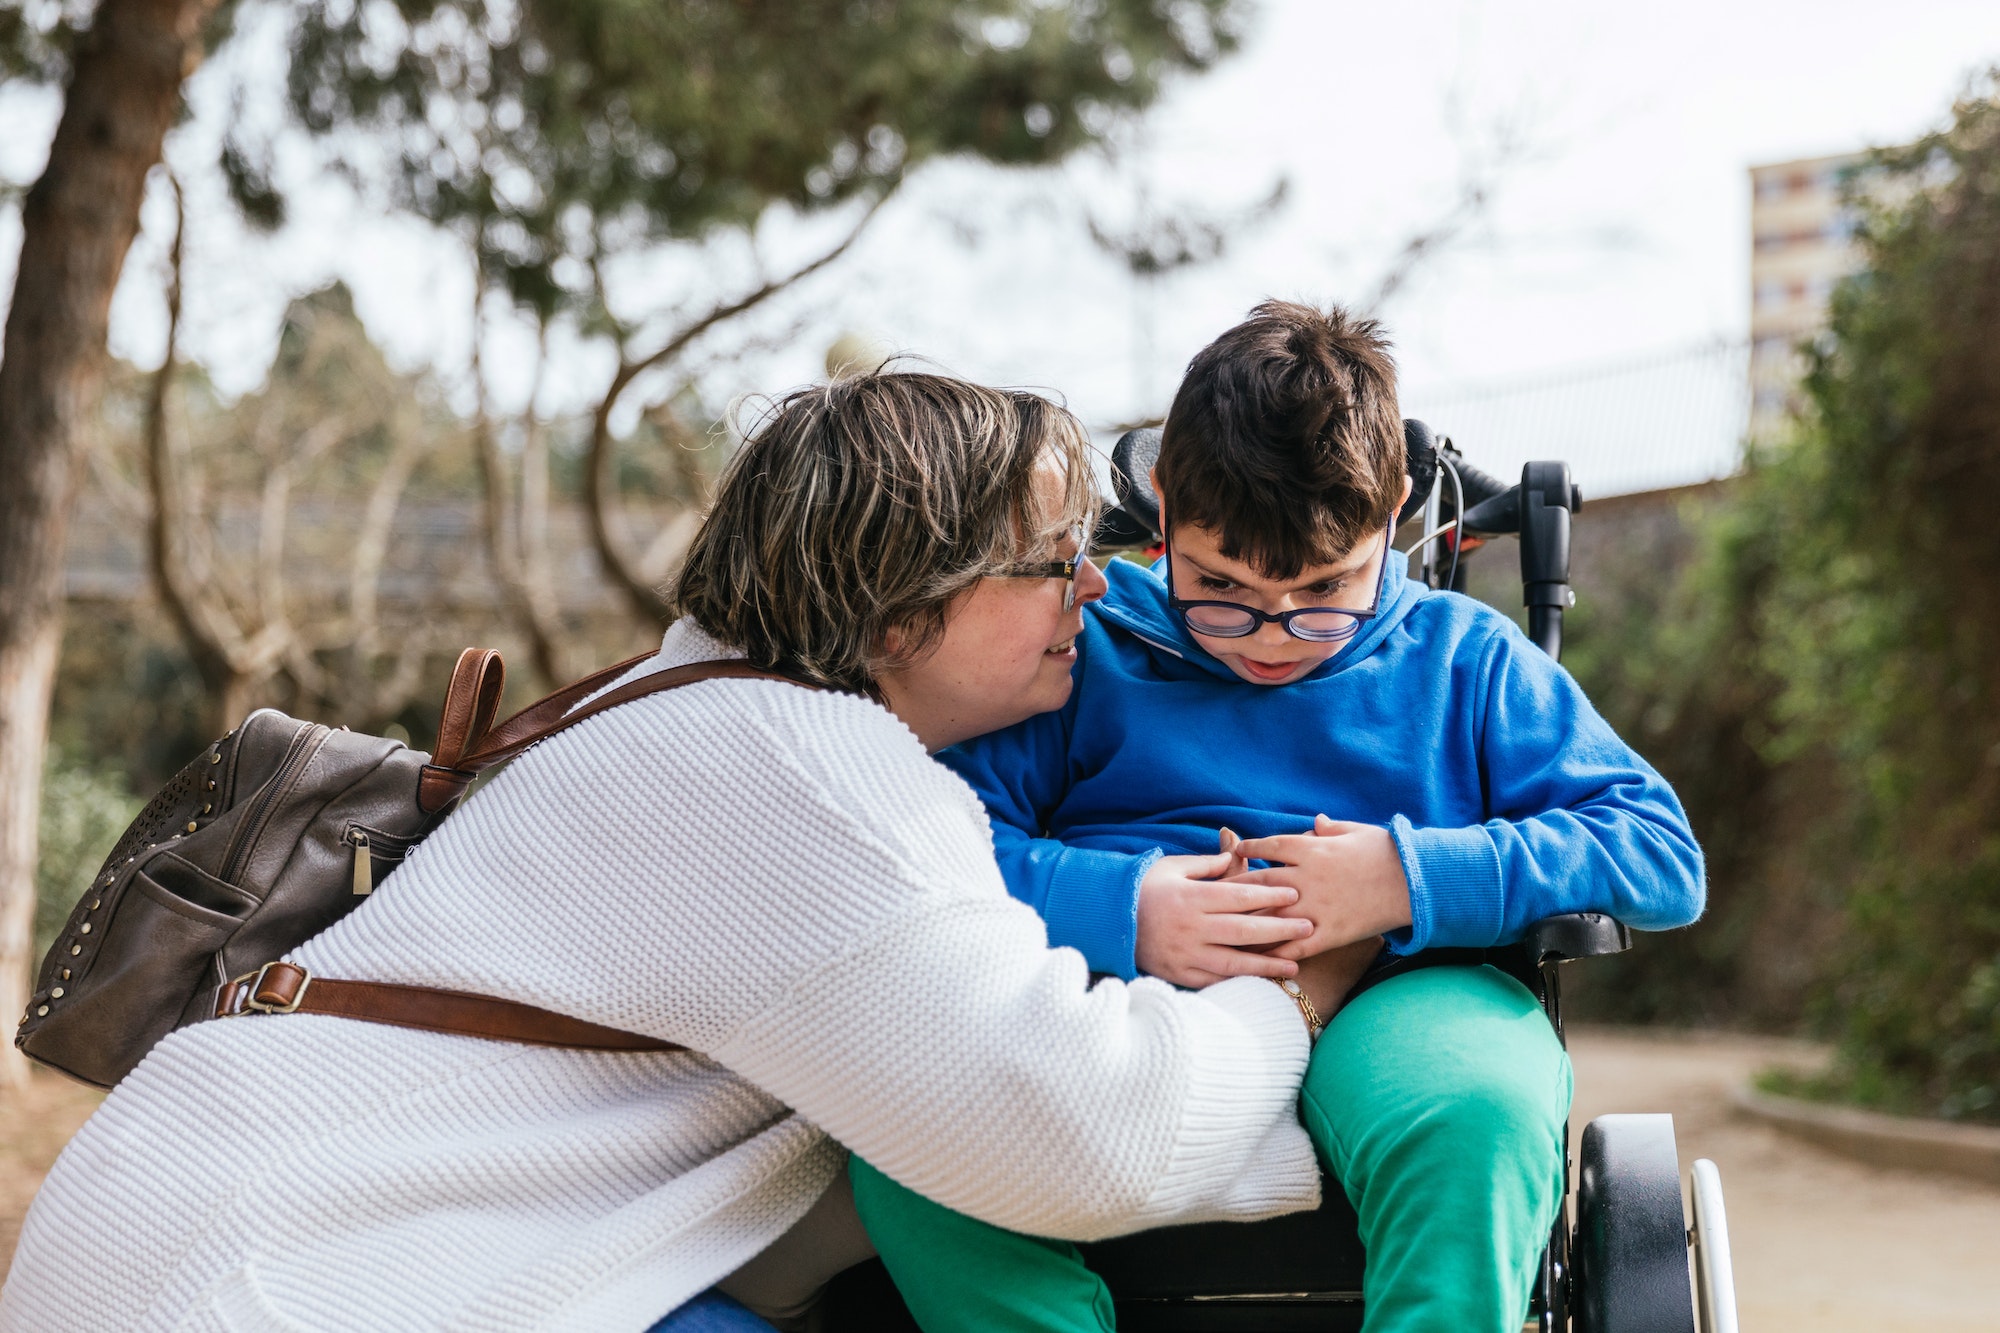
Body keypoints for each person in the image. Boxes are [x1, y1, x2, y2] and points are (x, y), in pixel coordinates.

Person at [0, 375, 1357, 1333]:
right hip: (303, 1282)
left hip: (210, 1239)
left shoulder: (668, 706)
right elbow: (1083, 1132)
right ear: (899, 615)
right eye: (1049, 563)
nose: (1098, 586)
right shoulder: (805, 775)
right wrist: (1291, 994)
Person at [849, 302, 1707, 1332]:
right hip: (1115, 1007)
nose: (1267, 636)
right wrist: (1124, 903)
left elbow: (1656, 851)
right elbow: (933, 846)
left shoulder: (1461, 657)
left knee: (1473, 1114)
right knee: (908, 1145)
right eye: (1218, 586)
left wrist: (1403, 877)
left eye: (1319, 590)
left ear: (1390, 510)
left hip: (1400, 1001)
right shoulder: (1085, 650)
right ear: (1162, 505)